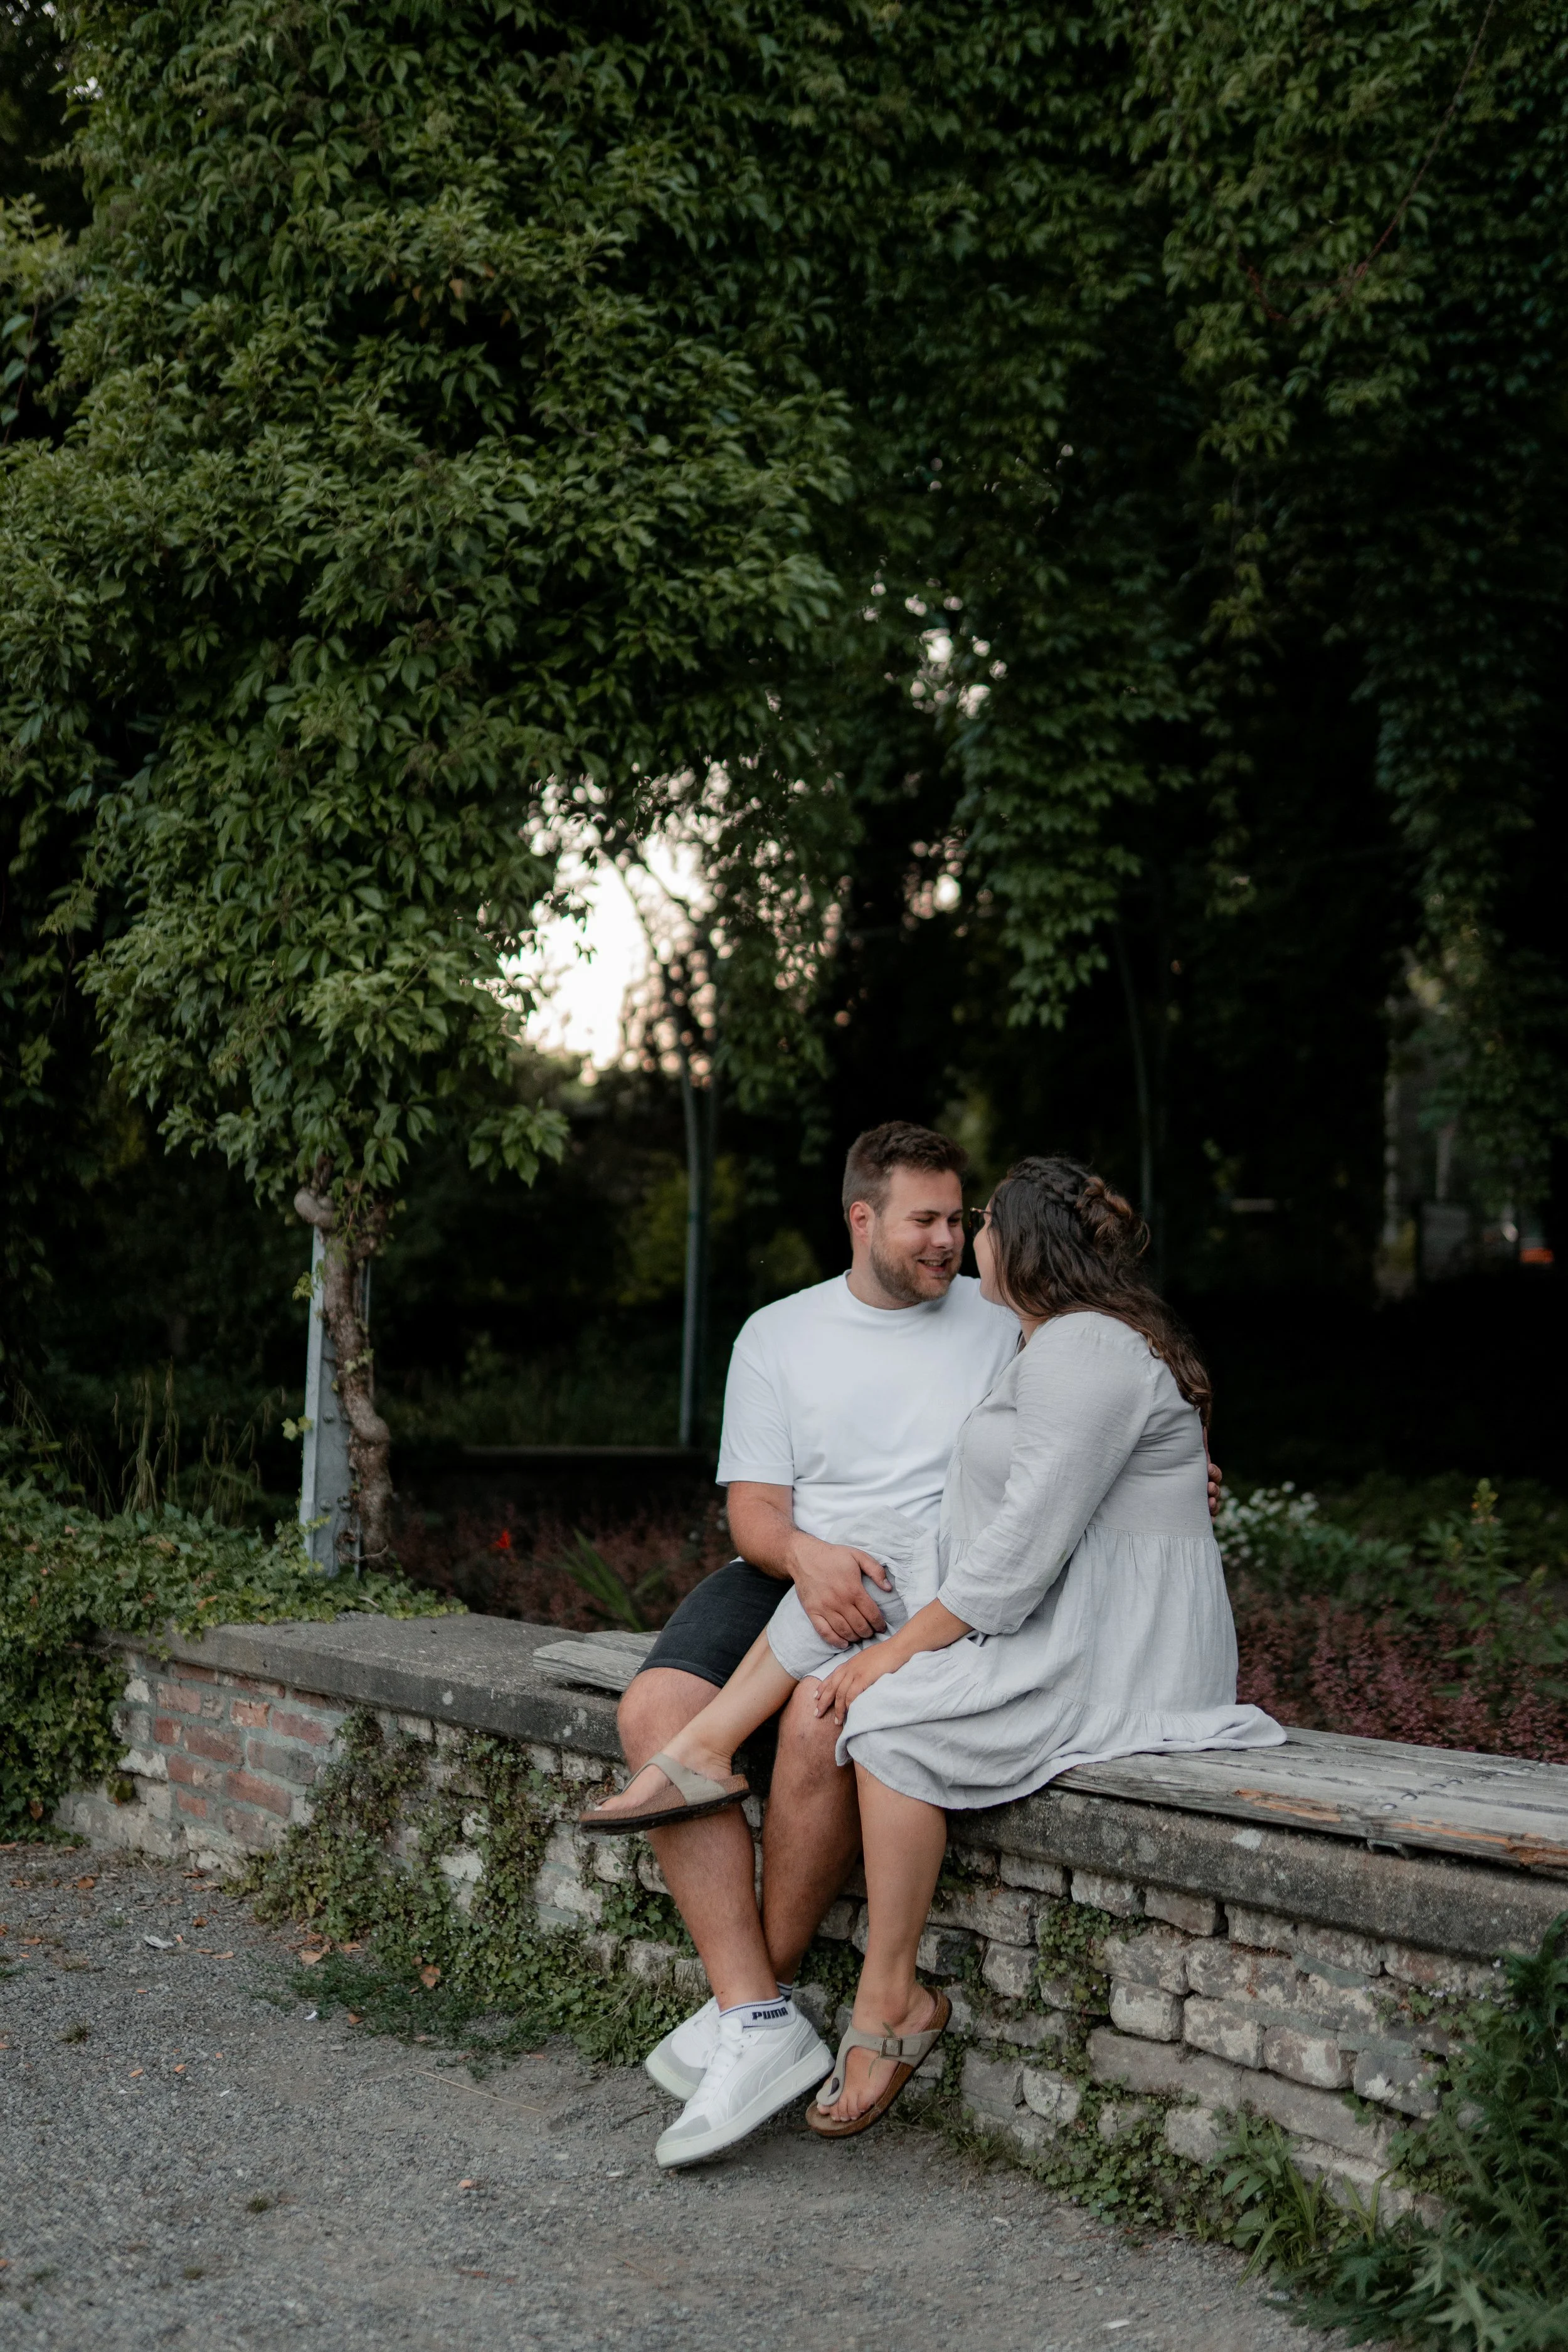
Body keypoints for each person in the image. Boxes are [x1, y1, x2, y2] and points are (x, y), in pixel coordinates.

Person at [588, 1156, 1280, 2140]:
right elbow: (1039, 1497)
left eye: (977, 1219)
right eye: (939, 1218)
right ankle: (706, 1784)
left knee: (880, 1714)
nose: (961, 1239)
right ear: (863, 1217)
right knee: (867, 1580)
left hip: (1109, 1636)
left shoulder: (1070, 1344)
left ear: (1019, 1242)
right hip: (913, 1572)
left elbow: (1026, 1540)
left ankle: (858, 2002)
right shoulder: (1029, 1337)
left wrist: (891, 1655)